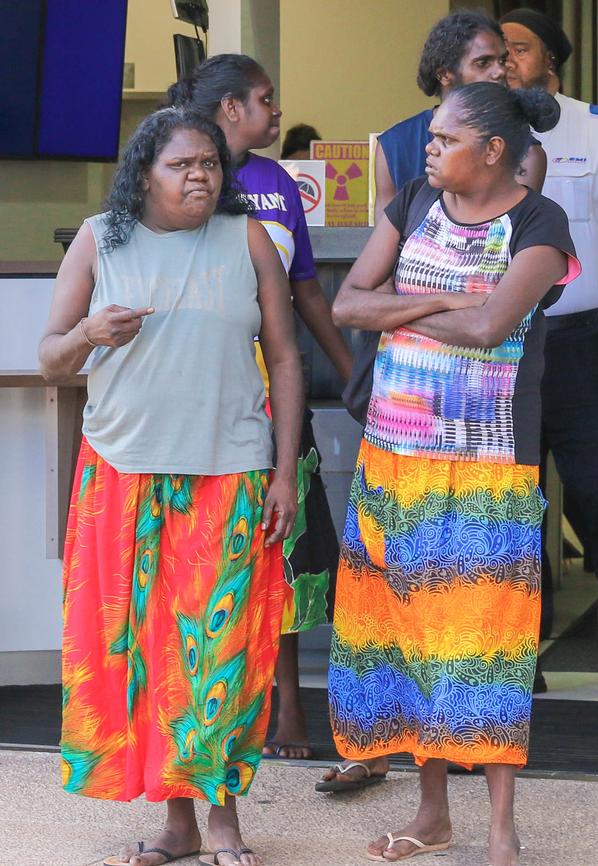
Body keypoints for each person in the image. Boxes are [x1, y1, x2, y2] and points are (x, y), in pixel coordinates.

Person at [38, 107, 303, 866]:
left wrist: (284, 472)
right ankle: (178, 825)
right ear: (142, 174)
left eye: (210, 165)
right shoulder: (100, 239)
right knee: (147, 656)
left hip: (231, 472)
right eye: (182, 165)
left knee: (215, 656)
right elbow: (52, 356)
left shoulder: (248, 238)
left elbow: (284, 359)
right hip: (123, 474)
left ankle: (223, 823)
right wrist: (91, 333)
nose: (201, 177)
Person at [327, 82, 579, 866]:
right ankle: (432, 812)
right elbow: (344, 304)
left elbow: (492, 325)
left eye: (444, 139)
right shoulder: (411, 199)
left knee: (485, 643)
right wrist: (437, 302)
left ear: (493, 150)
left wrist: (398, 301)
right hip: (394, 457)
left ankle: (501, 831)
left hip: (488, 465)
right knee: (406, 635)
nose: (428, 149)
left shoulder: (539, 222)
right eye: (431, 138)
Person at [165, 55, 353, 760]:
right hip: (200, 393)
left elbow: (305, 291)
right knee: (208, 554)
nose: (277, 113)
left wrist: (350, 373)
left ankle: (289, 709)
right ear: (230, 109)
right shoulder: (179, 177)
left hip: (276, 395)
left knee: (289, 542)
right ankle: (201, 712)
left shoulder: (278, 184)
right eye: (266, 101)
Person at [501, 8, 598, 687]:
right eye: (494, 50)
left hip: (592, 344)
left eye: (519, 49)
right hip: (503, 345)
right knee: (508, 500)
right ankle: (512, 647)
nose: (504, 61)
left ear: (550, 62)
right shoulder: (478, 137)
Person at [374, 10, 546, 222]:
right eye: (483, 63)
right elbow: (383, 239)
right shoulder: (394, 144)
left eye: (501, 61)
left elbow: (504, 236)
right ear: (445, 74)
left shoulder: (526, 152)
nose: (500, 71)